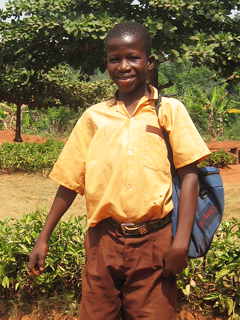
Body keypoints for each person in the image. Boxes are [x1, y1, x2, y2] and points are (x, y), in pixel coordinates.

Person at [29, 21, 210, 319]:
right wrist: (44, 236)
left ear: (149, 63)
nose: (124, 66)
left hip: (155, 243)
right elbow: (70, 181)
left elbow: (189, 177)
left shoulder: (169, 111)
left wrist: (180, 245)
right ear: (107, 64)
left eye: (133, 57)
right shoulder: (94, 117)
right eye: (115, 59)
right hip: (103, 242)